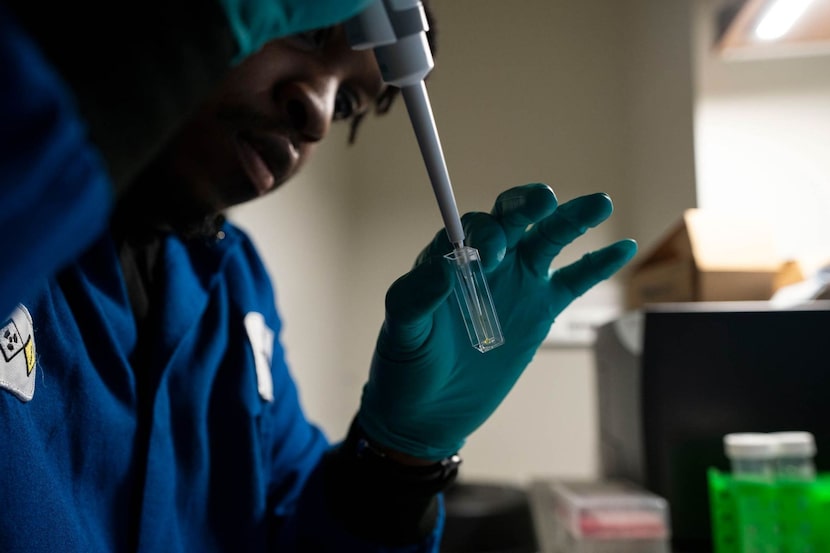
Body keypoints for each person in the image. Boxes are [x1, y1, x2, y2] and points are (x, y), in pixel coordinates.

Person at [0, 1, 638, 551]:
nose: (317, 114)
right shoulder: (24, 221)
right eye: (307, 37)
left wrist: (397, 462)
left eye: (349, 101)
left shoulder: (233, 287)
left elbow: (292, 535)